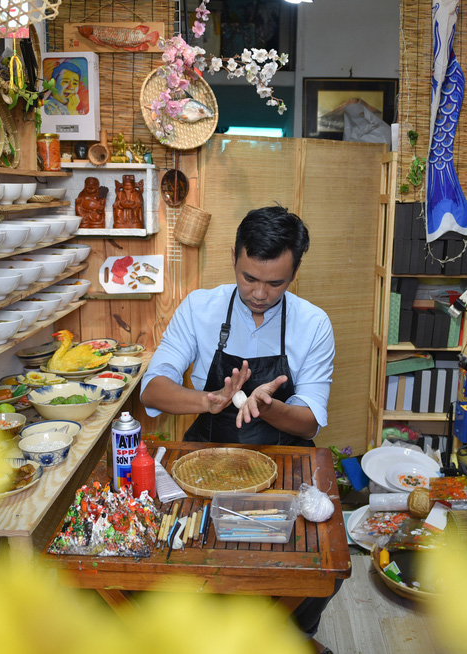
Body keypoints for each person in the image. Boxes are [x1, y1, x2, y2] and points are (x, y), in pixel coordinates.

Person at [140, 205, 338, 653]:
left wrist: (268, 407)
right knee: (175, 553)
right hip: (203, 453)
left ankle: (286, 636)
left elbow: (308, 418)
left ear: (295, 272)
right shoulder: (199, 308)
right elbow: (152, 390)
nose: (261, 293)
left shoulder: (313, 324)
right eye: (249, 278)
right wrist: (206, 401)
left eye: (275, 283)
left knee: (317, 567)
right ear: (233, 256)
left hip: (282, 458)